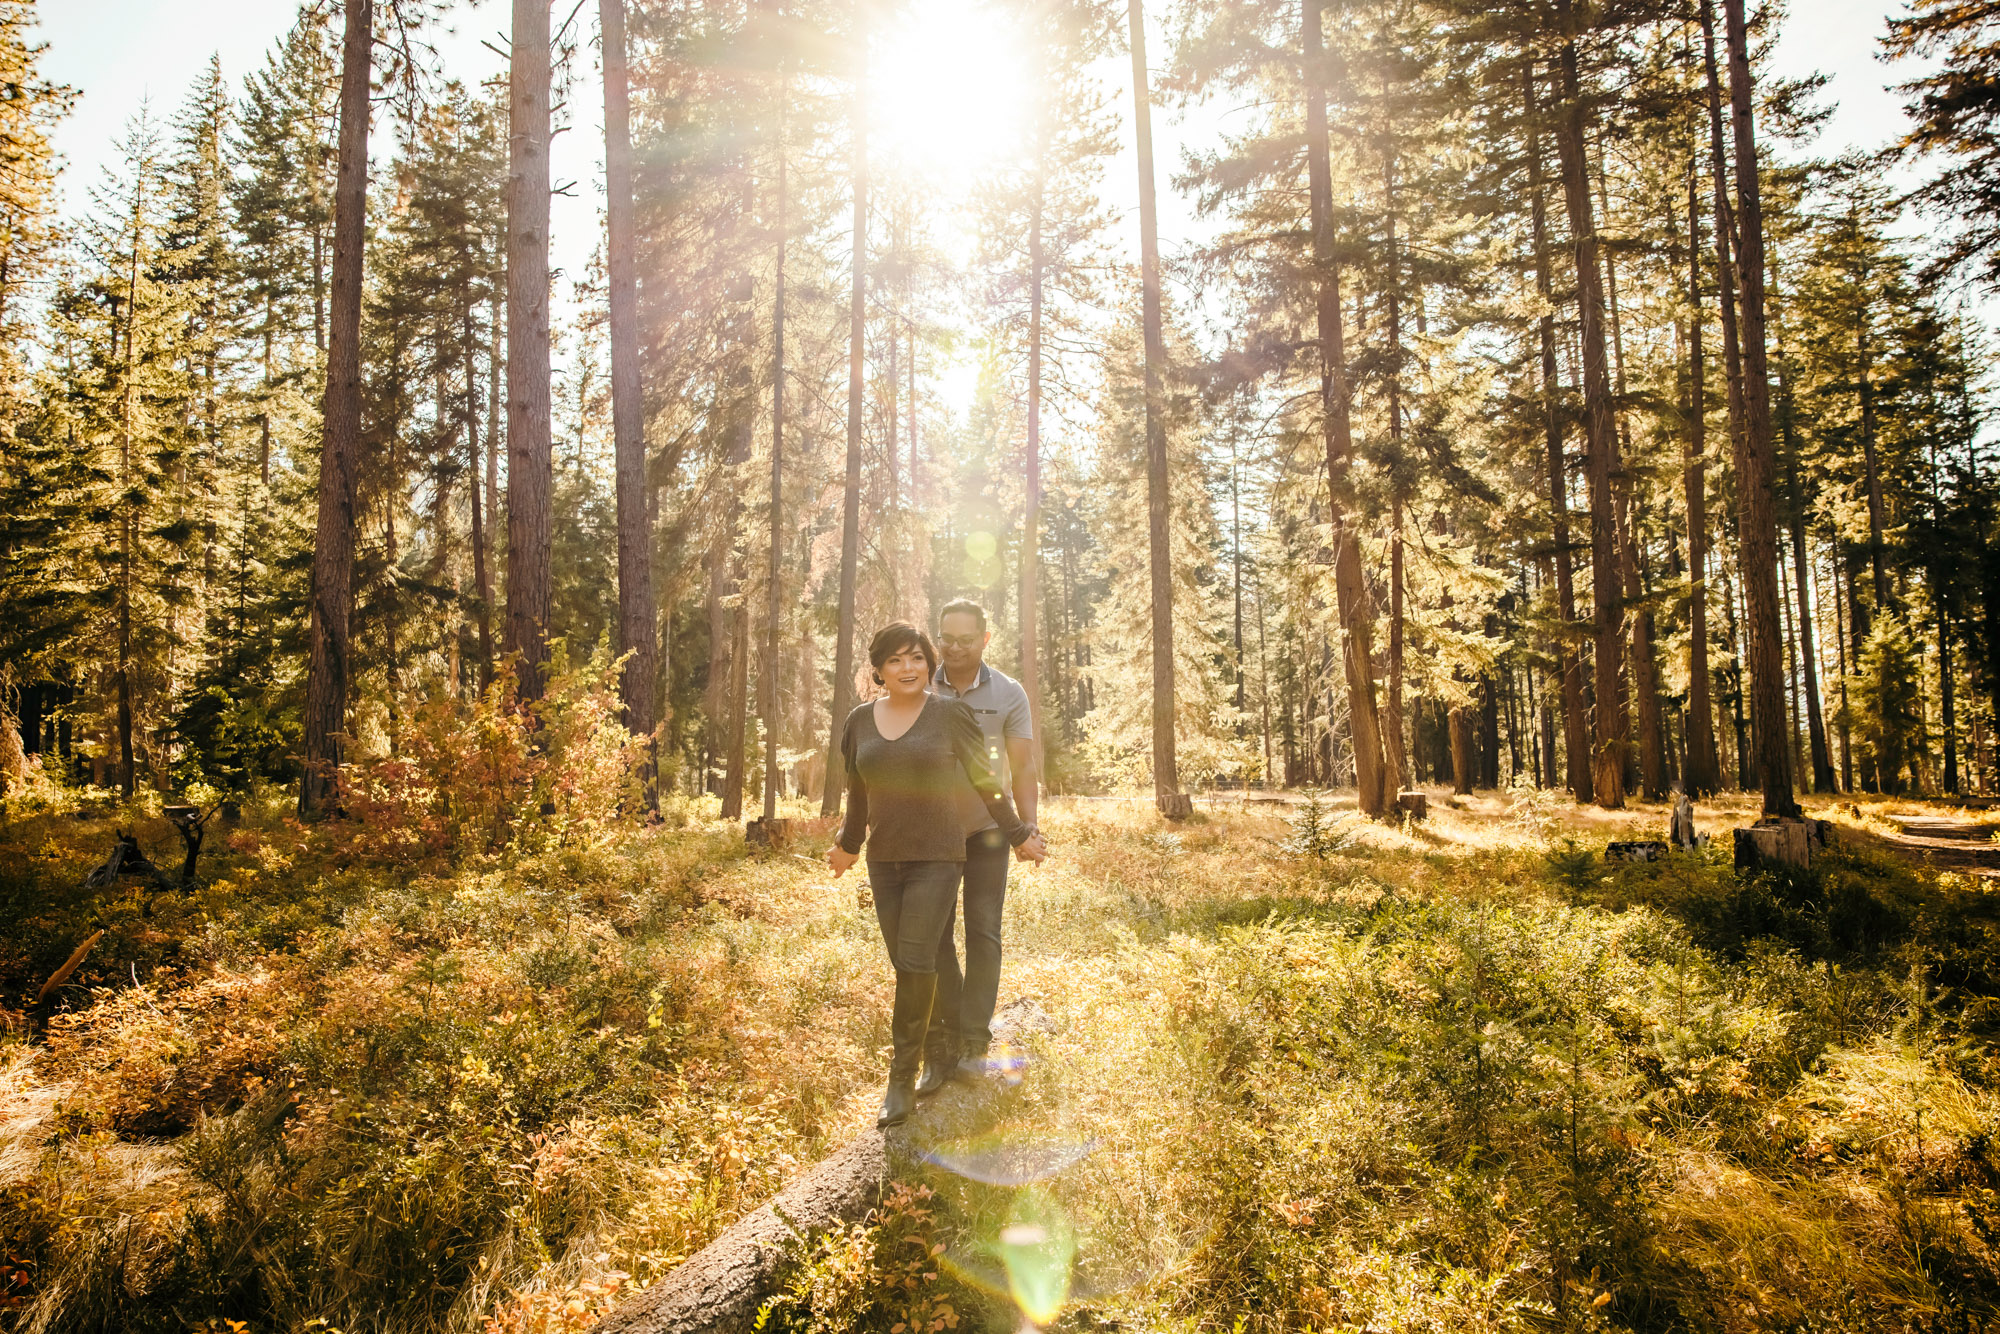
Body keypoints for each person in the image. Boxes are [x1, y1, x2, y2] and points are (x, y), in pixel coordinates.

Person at [828, 621, 1047, 1128]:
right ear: (879, 670)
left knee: (915, 957)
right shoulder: (859, 721)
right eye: (896, 661)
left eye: (917, 659)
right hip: (886, 861)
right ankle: (942, 1046)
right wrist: (848, 845)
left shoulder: (950, 714)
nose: (908, 668)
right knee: (911, 962)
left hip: (939, 856)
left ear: (929, 665)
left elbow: (986, 780)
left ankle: (902, 1078)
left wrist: (1017, 833)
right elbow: (857, 793)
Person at [927, 598, 1038, 1092]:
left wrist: (1026, 828)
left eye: (965, 639)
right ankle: (947, 1033)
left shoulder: (1009, 693)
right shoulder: (919, 685)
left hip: (989, 831)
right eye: (945, 638)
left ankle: (974, 1038)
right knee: (935, 937)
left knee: (983, 931)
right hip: (929, 834)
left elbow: (1023, 768)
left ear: (985, 639)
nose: (953, 647)